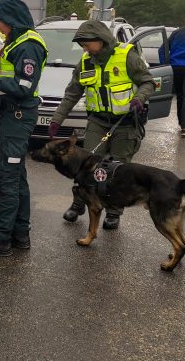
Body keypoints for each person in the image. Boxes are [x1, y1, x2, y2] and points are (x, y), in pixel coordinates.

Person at [46, 20, 155, 230]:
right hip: (97, 121)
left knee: (118, 169)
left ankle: (114, 212)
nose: (84, 49)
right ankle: (78, 204)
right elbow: (72, 94)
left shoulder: (127, 56)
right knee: (87, 165)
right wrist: (56, 119)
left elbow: (148, 82)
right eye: (82, 45)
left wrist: (139, 99)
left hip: (125, 123)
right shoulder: (85, 63)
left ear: (101, 39)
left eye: (87, 44)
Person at [0, 0, 48, 257]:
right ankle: (20, 235)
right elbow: (8, 76)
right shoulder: (15, 42)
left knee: (7, 180)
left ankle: (0, 240)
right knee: (18, 179)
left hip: (17, 115)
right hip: (11, 115)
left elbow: (23, 89)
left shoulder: (28, 47)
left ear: (12, 21)